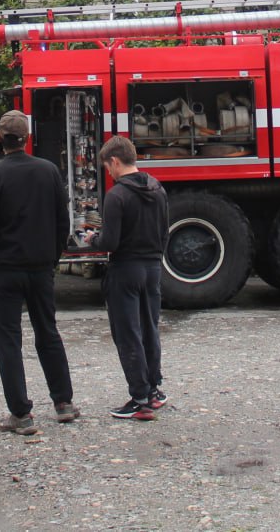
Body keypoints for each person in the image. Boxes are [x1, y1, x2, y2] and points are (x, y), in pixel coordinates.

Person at [0, 110, 79, 435]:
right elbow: (64, 223)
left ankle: (21, 414)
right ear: (28, 137)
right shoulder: (48, 171)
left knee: (8, 342)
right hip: (39, 269)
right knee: (47, 332)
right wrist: (51, 259)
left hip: (4, 272)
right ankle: (63, 403)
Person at [84, 135, 170, 421]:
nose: (108, 172)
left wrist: (92, 238)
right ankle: (154, 391)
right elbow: (165, 232)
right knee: (149, 329)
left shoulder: (117, 196)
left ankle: (140, 399)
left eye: (108, 166)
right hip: (153, 268)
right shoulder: (158, 188)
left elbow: (111, 242)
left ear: (116, 161)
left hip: (126, 270)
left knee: (128, 334)